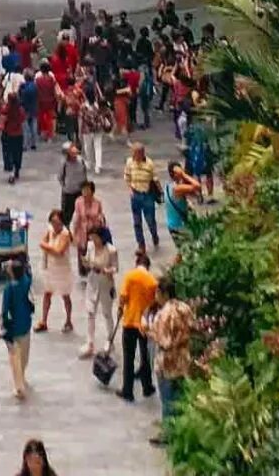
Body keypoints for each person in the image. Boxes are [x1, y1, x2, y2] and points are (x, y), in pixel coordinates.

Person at [146, 282, 197, 426]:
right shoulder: (184, 308)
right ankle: (178, 426)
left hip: (167, 362)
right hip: (183, 358)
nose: (156, 297)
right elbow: (192, 327)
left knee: (167, 398)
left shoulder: (163, 315)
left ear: (165, 294)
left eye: (157, 293)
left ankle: (168, 430)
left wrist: (149, 331)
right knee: (179, 396)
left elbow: (164, 341)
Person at [117, 251, 159, 402]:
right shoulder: (153, 281)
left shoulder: (130, 276)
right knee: (145, 356)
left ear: (137, 264)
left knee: (128, 357)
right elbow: (155, 303)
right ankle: (147, 386)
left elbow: (123, 297)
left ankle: (127, 390)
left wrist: (120, 310)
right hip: (144, 324)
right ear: (148, 266)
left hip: (129, 321)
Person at [79, 226, 119, 359]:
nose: (93, 239)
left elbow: (115, 268)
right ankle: (89, 342)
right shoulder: (90, 246)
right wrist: (85, 262)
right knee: (90, 311)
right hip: (92, 280)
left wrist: (107, 270)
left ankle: (110, 339)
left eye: (95, 237)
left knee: (107, 313)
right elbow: (87, 261)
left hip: (105, 282)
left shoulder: (111, 250)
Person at [0, 253, 35, 400]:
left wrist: (4, 324)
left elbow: (5, 309)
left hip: (14, 326)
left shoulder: (9, 288)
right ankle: (23, 376)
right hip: (25, 322)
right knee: (25, 353)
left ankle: (19, 385)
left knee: (15, 356)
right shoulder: (26, 282)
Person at [36, 209, 75, 333]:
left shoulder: (65, 234)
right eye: (52, 222)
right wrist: (50, 248)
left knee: (65, 295)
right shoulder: (50, 230)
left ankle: (68, 320)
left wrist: (47, 247)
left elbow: (59, 252)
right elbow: (42, 242)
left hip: (62, 269)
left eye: (57, 222)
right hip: (50, 267)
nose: (54, 225)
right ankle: (44, 321)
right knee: (47, 294)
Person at [123, 144, 161, 254]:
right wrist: (130, 190)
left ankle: (154, 234)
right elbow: (127, 177)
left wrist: (160, 192)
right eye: (133, 153)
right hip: (135, 194)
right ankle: (141, 245)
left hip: (147, 195)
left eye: (136, 153)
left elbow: (155, 179)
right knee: (137, 221)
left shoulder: (149, 164)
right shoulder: (129, 162)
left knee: (150, 220)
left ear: (142, 153)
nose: (134, 156)